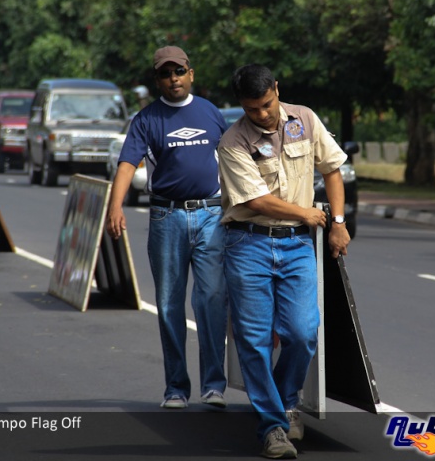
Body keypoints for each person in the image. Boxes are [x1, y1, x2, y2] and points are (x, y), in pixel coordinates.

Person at [217, 64, 351, 459]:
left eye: (266, 104)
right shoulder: (233, 141)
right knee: (255, 341)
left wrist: (338, 223)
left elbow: (332, 169)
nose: (261, 114)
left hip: (295, 247)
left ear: (277, 89)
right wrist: (305, 214)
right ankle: (274, 427)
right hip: (249, 245)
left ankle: (283, 399)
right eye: (251, 108)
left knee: (302, 331)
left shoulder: (305, 119)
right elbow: (254, 201)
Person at [106, 46, 228, 410]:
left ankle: (213, 385)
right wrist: (115, 207)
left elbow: (238, 157)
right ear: (157, 79)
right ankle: (176, 388)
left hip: (210, 215)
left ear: (192, 73)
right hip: (166, 218)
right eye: (165, 73)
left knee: (210, 299)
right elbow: (128, 164)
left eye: (179, 71)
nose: (173, 78)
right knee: (169, 303)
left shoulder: (211, 112)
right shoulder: (146, 119)